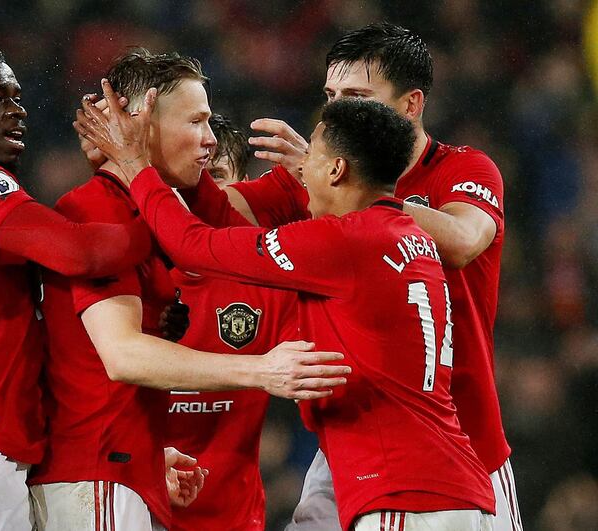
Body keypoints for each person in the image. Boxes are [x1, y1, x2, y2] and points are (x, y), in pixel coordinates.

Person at [78, 81, 496, 530]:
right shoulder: (407, 238)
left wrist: (136, 162)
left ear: (335, 169)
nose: (299, 171)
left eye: (309, 156)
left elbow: (192, 243)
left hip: (403, 496)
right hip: (449, 488)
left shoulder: (344, 242)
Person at [27, 50, 349, 531]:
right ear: (140, 122)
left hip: (123, 476)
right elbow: (123, 356)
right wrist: (261, 369)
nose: (210, 139)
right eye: (196, 121)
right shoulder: (98, 210)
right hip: (93, 483)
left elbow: (231, 222)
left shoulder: (140, 213)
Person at [231, 23, 520, 531]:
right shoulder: (314, 174)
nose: (338, 110)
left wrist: (345, 184)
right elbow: (217, 219)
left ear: (411, 105)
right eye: (330, 96)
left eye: (357, 95)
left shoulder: (463, 168)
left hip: (465, 445)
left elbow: (461, 240)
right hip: (353, 443)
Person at [0, 42, 156, 531]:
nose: (16, 111)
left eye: (17, 97)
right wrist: (162, 219)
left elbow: (57, 282)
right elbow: (79, 251)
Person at [165, 112, 300, 530]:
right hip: (133, 507)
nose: (202, 191)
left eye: (217, 176)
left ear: (245, 188)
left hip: (234, 519)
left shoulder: (273, 283)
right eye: (192, 175)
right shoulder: (126, 276)